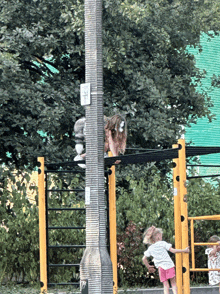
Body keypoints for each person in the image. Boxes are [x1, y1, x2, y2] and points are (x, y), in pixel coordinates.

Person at [142, 226, 190, 294]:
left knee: (165, 285)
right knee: (173, 283)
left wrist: (148, 266)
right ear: (158, 236)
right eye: (161, 236)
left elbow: (144, 259)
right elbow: (173, 250)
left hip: (161, 268)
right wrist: (184, 250)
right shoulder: (163, 243)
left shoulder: (150, 248)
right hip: (169, 265)